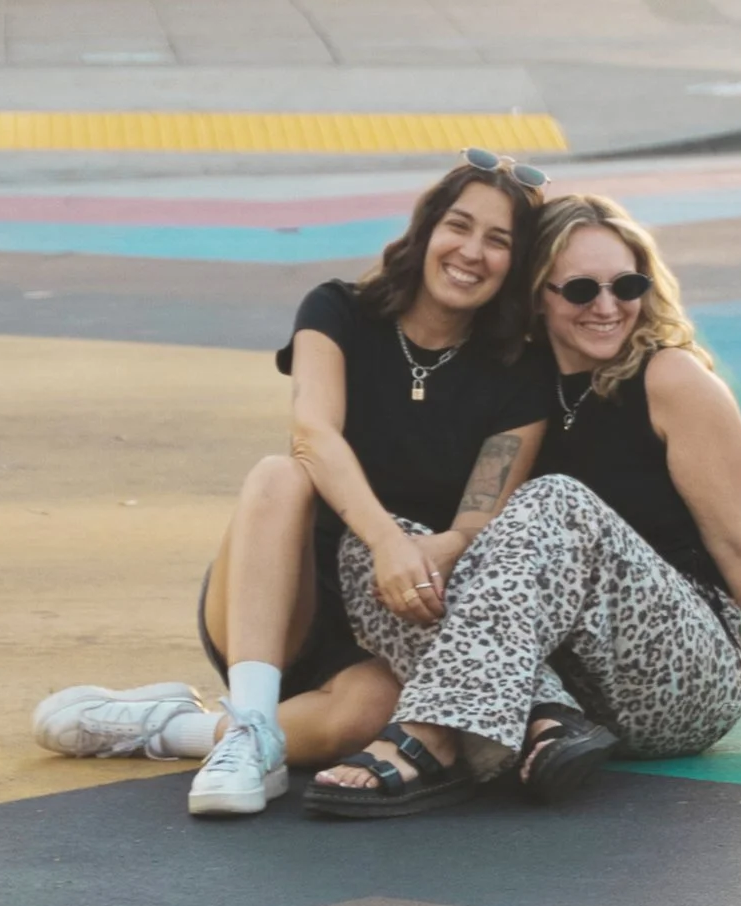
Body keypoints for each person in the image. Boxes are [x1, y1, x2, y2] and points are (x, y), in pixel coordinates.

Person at [304, 191, 741, 817]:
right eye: (580, 290)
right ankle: (544, 723)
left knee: (554, 498)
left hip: (682, 679)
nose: (608, 308)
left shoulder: (672, 379)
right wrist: (403, 545)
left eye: (626, 284)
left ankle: (430, 739)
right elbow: (474, 525)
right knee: (375, 543)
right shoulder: (511, 391)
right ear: (536, 295)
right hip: (568, 690)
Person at [31, 154, 551, 815]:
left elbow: (481, 520)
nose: (471, 252)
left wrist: (424, 556)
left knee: (376, 711)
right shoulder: (339, 310)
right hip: (278, 587)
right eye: (460, 225)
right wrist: (388, 542)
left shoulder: (518, 369)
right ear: (427, 229)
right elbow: (313, 434)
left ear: (517, 263)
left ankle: (173, 728)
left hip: (390, 621)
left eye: (499, 240)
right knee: (281, 473)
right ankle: (250, 718)